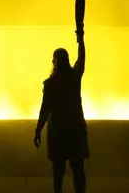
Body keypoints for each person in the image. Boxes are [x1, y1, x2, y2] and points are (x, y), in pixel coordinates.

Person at [34, 30, 88, 193]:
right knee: (78, 167)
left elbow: (45, 110)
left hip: (58, 132)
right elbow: (82, 59)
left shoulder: (50, 84)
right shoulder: (74, 78)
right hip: (75, 129)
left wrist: (38, 130)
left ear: (54, 62)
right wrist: (80, 39)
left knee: (58, 171)